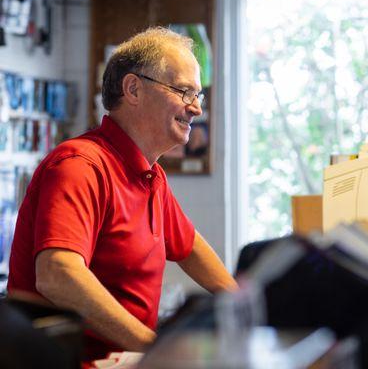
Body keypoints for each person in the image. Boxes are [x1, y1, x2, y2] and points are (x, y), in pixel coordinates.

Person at [7, 27, 237, 361]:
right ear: (133, 89)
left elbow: (189, 247)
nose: (196, 109)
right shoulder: (80, 166)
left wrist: (242, 304)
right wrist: (153, 348)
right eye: (184, 91)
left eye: (197, 95)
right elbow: (57, 274)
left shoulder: (150, 175)